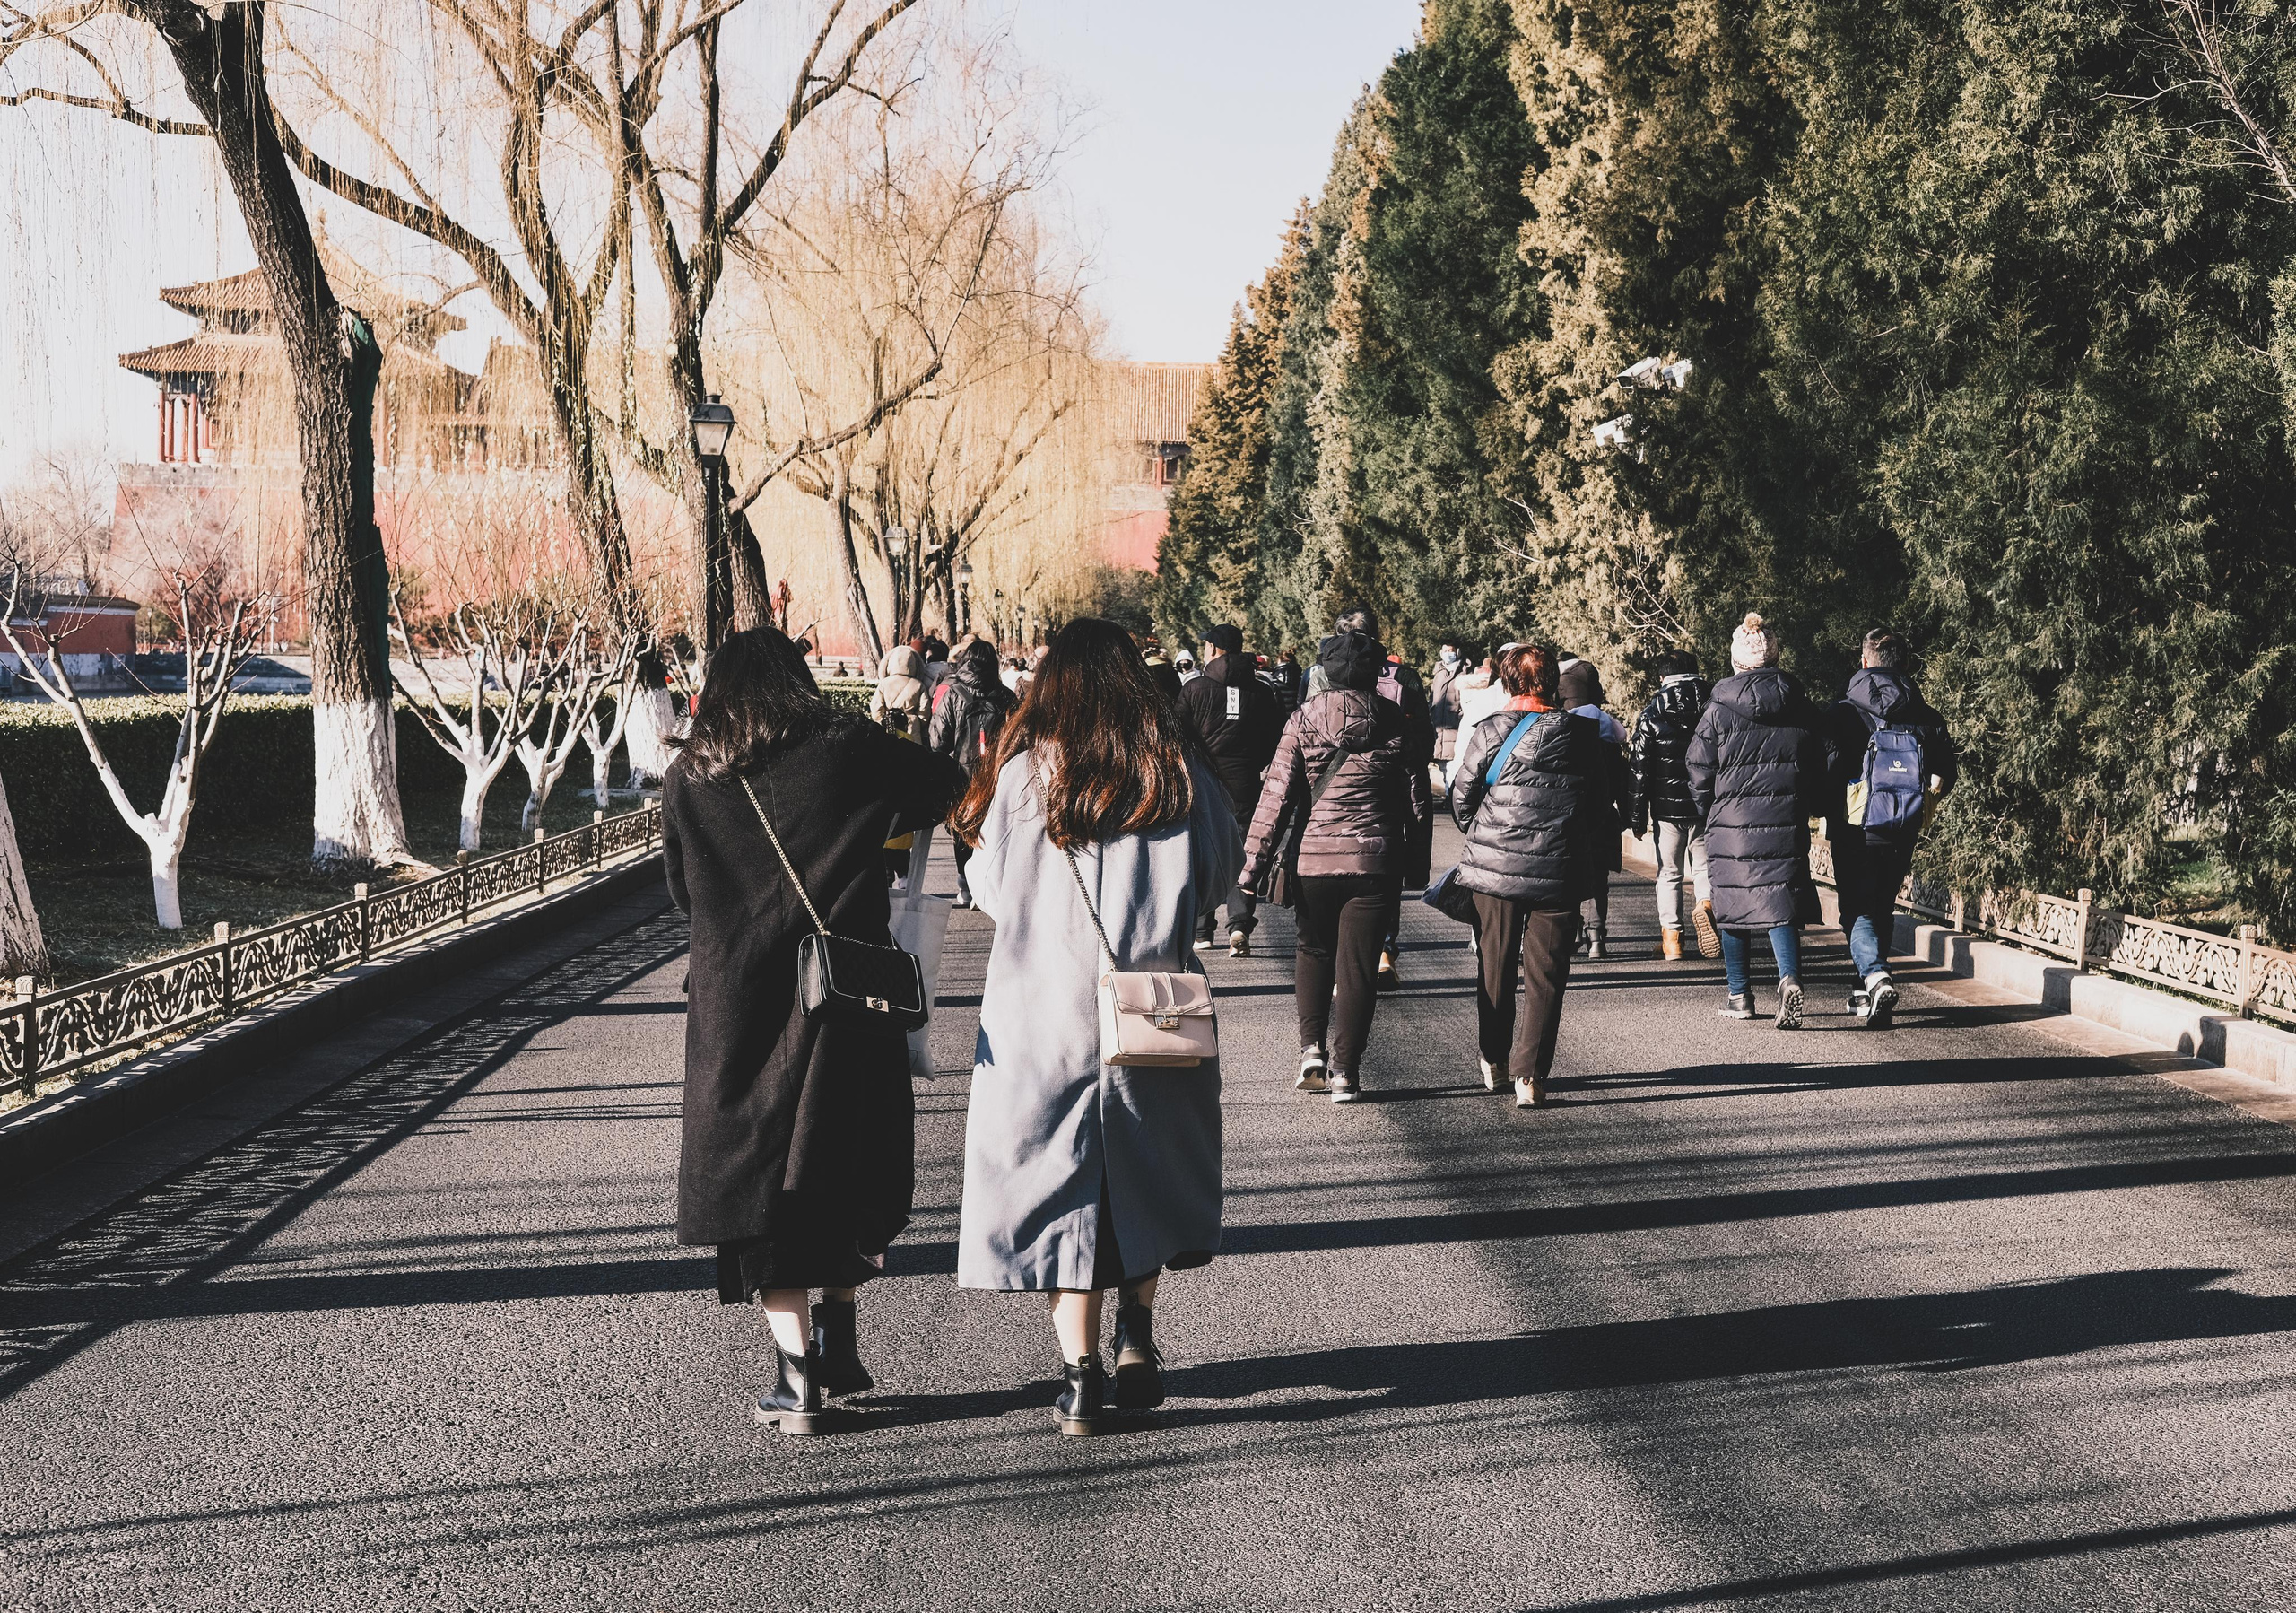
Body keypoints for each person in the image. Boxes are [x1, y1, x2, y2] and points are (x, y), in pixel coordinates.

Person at [661, 627, 967, 1435]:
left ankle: (800, 1375)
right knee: (844, 1158)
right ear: (799, 681)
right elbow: (948, 781)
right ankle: (839, 1330)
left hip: (737, 1009)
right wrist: (879, 835)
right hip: (844, 998)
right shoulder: (848, 748)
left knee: (762, 1184)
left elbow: (682, 897)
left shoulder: (690, 778)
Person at [951, 618, 1243, 1435]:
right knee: (1144, 1172)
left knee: (1055, 1187)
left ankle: (1078, 1376)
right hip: (1155, 1014)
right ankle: (1138, 1337)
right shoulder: (1181, 777)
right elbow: (1222, 876)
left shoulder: (1021, 781)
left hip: (1042, 1018)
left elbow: (987, 888)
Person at [1239, 630, 1431, 1103]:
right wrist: (1417, 865)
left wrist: (1251, 867)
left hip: (1314, 858)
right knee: (1359, 967)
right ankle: (1346, 1071)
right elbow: (1418, 799)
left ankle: (1311, 1052)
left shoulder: (1302, 719)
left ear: (1323, 671)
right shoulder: (1395, 720)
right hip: (1375, 859)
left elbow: (1276, 795)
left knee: (1314, 950)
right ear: (1373, 672)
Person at [1448, 645, 1612, 1108]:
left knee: (1494, 965)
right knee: (1547, 974)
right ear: (1551, 685)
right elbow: (1599, 805)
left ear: (1507, 682)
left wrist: (1485, 835)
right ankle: (1531, 1077)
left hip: (1496, 870)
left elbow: (1462, 795)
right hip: (1558, 868)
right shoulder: (1583, 735)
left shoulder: (1490, 729)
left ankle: (1494, 1061)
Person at [1685, 613, 1831, 1028]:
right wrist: (1813, 802)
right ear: (1774, 658)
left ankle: (1740, 996)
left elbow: (1697, 766)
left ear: (1735, 662)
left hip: (1732, 824)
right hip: (1785, 818)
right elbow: (1823, 756)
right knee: (1781, 902)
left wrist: (1706, 808)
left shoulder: (1717, 710)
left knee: (1733, 906)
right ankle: (1788, 978)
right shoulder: (1799, 704)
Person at [1827, 629, 1958, 1027]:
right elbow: (1947, 773)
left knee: (1855, 908)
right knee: (1882, 904)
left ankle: (1875, 976)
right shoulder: (1927, 715)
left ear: (1864, 662)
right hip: (1903, 825)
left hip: (1854, 826)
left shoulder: (1843, 713)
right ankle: (1863, 992)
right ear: (1903, 664)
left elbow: (1827, 770)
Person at [1178, 623, 1284, 957]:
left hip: (1202, 784)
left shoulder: (1195, 689)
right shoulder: (1262, 692)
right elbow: (1275, 738)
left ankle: (1202, 928)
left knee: (1200, 852)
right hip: (1245, 785)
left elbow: (1175, 735)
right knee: (1243, 853)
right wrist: (1252, 765)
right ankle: (1239, 923)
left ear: (1212, 649)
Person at [1626, 650, 1718, 960]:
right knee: (1705, 868)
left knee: (1669, 873)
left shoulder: (1653, 712)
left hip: (1666, 812)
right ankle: (1706, 907)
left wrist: (1636, 818)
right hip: (1706, 805)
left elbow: (1640, 770)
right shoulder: (1714, 705)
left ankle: (1672, 941)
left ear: (1663, 678)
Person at [929, 638, 1018, 909]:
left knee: (962, 829)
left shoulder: (953, 693)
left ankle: (965, 885)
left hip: (962, 775)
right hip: (997, 775)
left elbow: (938, 742)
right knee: (995, 830)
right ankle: (992, 885)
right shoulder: (1005, 697)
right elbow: (1018, 738)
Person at [1555, 657, 1630, 959]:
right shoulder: (1609, 735)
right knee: (1599, 879)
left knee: (1569, 874)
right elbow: (1623, 781)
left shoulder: (1560, 733)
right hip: (1603, 818)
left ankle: (1571, 929)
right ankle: (1597, 937)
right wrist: (1627, 815)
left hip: (1569, 818)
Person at [1429, 634, 1472, 777]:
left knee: (1455, 772)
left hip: (1457, 732)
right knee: (1444, 772)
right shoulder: (1438, 674)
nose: (1448, 654)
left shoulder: (1466, 674)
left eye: (1450, 651)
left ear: (1457, 652)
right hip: (1438, 734)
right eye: (1445, 651)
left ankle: (1451, 798)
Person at [870, 643, 930, 737]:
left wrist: (881, 721)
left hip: (889, 724)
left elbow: (876, 707)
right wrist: (917, 723)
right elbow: (924, 711)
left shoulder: (884, 683)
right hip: (911, 727)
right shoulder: (918, 684)